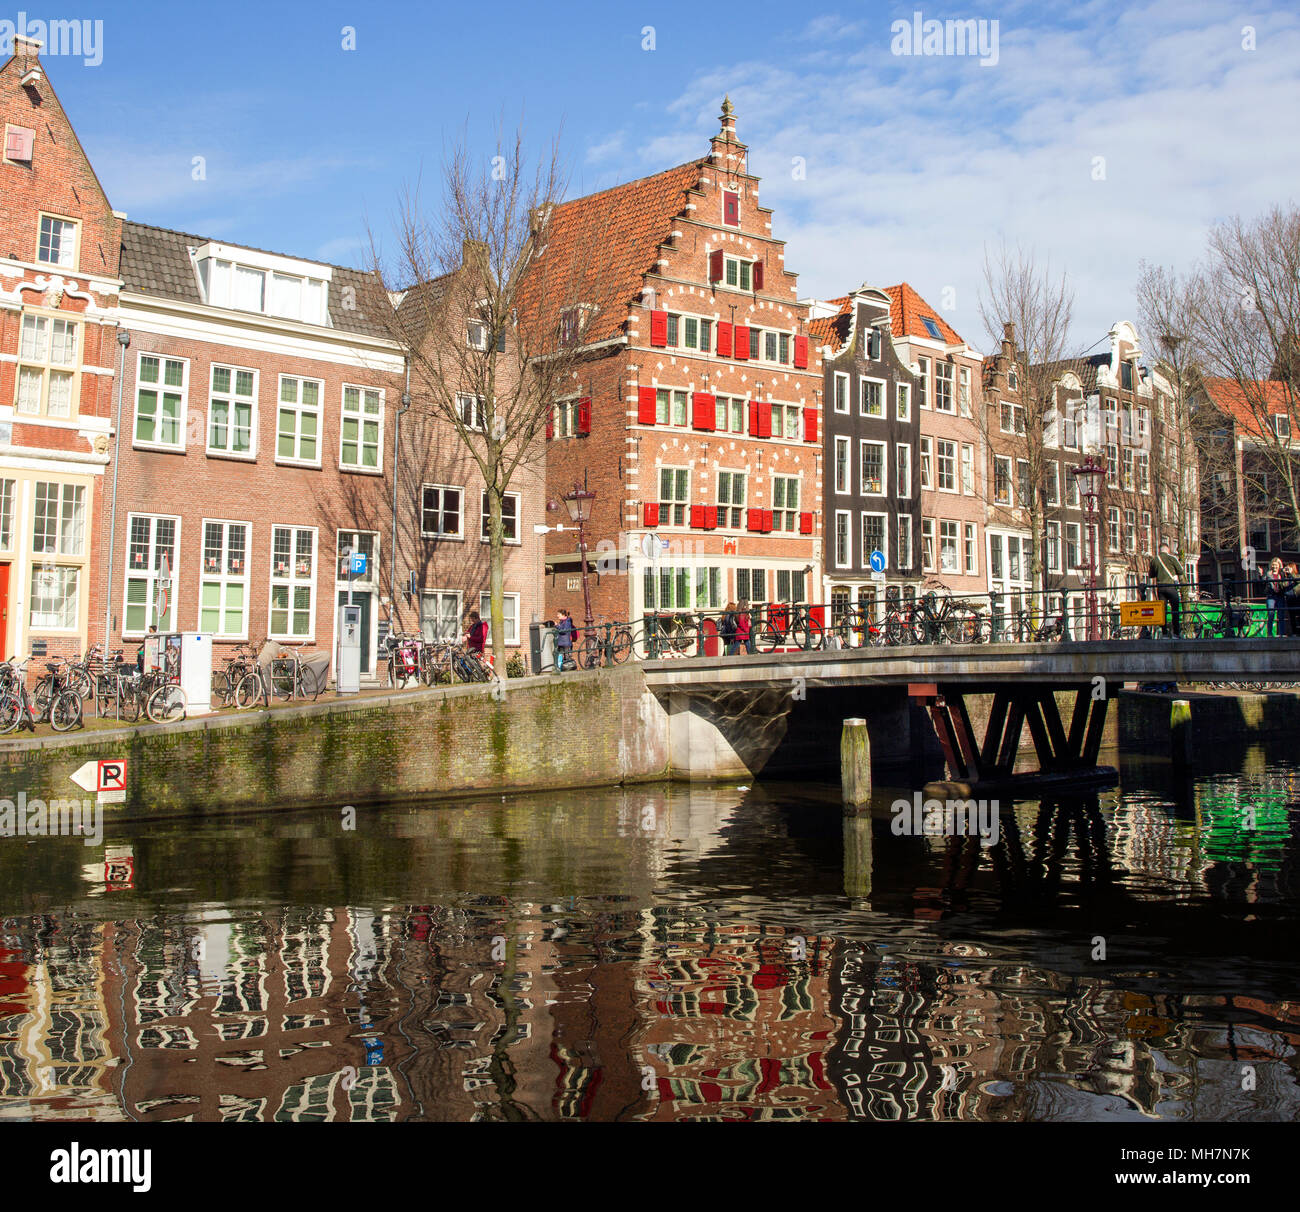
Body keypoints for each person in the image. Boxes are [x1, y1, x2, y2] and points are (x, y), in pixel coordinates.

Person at [1148, 542, 1183, 638]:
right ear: (1167, 549)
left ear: (1159, 550)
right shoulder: (1172, 558)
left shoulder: (1155, 560)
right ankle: (1176, 633)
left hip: (1161, 588)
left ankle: (1164, 634)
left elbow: (1151, 575)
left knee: (1162, 611)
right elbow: (1180, 571)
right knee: (1175, 610)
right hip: (1171, 587)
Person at [1260, 558, 1288, 637]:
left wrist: (1286, 574)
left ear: (1279, 566)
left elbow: (1286, 583)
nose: (1274, 566)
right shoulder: (1268, 574)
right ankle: (1270, 634)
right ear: (1271, 565)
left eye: (1276, 565)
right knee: (1271, 614)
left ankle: (1281, 633)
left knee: (1281, 615)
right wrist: (1261, 574)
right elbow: (1262, 582)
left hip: (1280, 596)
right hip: (1271, 596)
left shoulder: (1282, 574)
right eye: (1273, 565)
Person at [554, 608, 575, 672]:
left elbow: (564, 631)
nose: (557, 616)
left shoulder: (567, 621)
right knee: (560, 656)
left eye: (559, 614)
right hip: (561, 643)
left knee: (567, 657)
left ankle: (569, 670)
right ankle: (560, 669)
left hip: (566, 643)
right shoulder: (562, 621)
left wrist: (557, 626)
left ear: (563, 615)